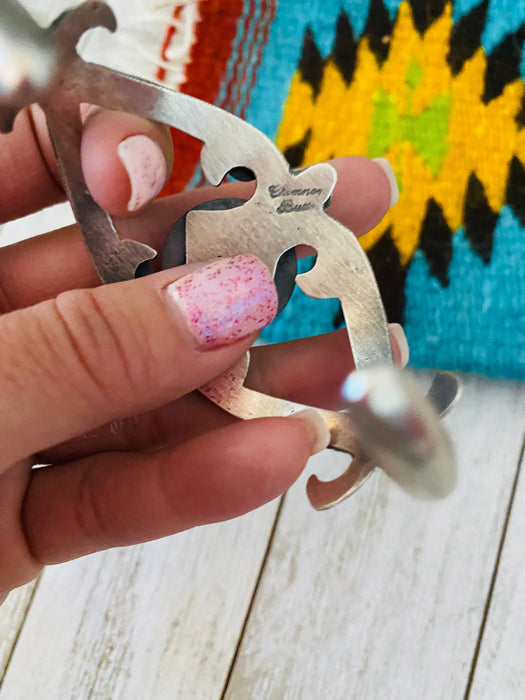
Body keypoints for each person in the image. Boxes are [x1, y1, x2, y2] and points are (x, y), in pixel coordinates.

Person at [0, 104, 406, 602]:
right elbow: (186, 117)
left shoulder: (316, 228)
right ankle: (351, 436)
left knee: (242, 393)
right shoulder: (292, 203)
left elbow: (361, 301)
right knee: (240, 393)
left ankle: (353, 436)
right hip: (201, 312)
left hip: (213, 328)